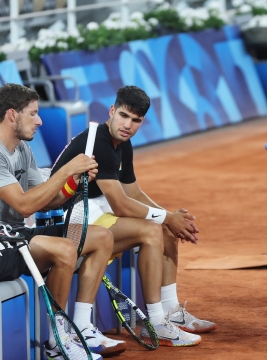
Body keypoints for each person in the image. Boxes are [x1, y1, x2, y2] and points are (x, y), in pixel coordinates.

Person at [0, 83, 122, 359]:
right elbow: (24, 206)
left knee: (102, 237)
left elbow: (49, 199)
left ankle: (80, 324)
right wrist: (67, 169)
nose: (40, 120)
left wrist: (72, 183)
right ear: (12, 115)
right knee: (65, 249)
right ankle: (57, 342)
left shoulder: (22, 149)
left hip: (19, 237)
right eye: (33, 114)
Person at [50, 85, 216, 347]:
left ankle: (171, 310)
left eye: (136, 120)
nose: (128, 125)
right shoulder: (101, 143)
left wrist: (169, 216)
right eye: (124, 116)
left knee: (163, 226)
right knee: (153, 228)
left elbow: (133, 192)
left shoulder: (122, 145)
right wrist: (164, 217)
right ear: (112, 110)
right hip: (72, 222)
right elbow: (120, 205)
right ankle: (156, 322)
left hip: (97, 214)